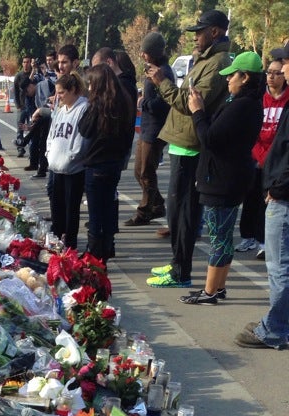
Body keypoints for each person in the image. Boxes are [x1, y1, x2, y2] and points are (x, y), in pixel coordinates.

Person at [145, 9, 231, 288]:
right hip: (182, 143)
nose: (195, 38)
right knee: (177, 211)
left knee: (185, 214)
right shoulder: (204, 59)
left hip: (192, 147)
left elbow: (192, 104)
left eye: (199, 32)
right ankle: (177, 264)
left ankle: (181, 273)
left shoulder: (218, 62)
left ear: (215, 32)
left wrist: (163, 84)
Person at [179, 51, 263, 305]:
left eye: (232, 76)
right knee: (223, 237)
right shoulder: (244, 103)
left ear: (245, 77)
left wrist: (197, 112)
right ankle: (218, 286)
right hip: (228, 179)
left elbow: (210, 138)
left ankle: (210, 290)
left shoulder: (242, 106)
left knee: (219, 237)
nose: (228, 81)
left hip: (222, 181)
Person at [233, 43, 289, 348]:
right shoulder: (266, 100)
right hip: (274, 181)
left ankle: (274, 329)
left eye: (283, 64)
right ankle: (279, 322)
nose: (279, 71)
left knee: (280, 266)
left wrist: (277, 188)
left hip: (282, 193)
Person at [77, 63, 135, 261]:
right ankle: (108, 245)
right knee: (109, 204)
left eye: (91, 84)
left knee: (95, 212)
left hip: (96, 164)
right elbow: (129, 137)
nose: (89, 88)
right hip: (115, 164)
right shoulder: (124, 103)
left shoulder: (97, 105)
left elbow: (84, 129)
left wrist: (89, 104)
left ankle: (94, 252)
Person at [236, 57, 289, 258]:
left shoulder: (286, 101)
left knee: (269, 203)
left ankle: (264, 241)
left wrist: (270, 159)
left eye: (277, 73)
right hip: (256, 158)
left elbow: (282, 138)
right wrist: (259, 156)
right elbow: (251, 130)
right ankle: (248, 236)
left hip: (276, 161)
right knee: (251, 198)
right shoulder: (260, 99)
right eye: (269, 72)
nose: (272, 77)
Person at [126, 32, 173, 226]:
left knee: (146, 171)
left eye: (146, 52)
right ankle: (158, 204)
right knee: (139, 171)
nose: (143, 56)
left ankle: (145, 211)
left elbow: (163, 103)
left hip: (155, 129)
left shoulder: (163, 73)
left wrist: (144, 102)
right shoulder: (152, 69)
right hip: (146, 128)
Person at [45, 71, 88, 250]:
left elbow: (81, 139)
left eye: (62, 92)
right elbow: (52, 134)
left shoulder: (83, 108)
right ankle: (56, 239)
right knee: (56, 207)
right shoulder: (61, 110)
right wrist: (49, 153)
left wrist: (71, 157)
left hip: (73, 169)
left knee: (71, 209)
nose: (58, 96)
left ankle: (70, 244)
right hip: (55, 167)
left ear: (72, 90)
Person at [13, 55, 33, 154]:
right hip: (22, 106)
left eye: (28, 62)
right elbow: (15, 91)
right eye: (24, 62)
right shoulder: (19, 76)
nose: (26, 64)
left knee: (32, 128)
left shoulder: (34, 74)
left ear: (31, 63)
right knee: (20, 129)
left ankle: (32, 149)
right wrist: (17, 105)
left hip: (31, 107)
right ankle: (20, 148)